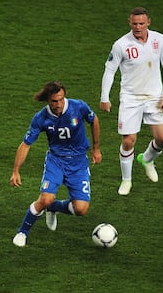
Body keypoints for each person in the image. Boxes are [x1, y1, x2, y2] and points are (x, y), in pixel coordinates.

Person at [10, 81, 102, 247]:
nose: (58, 104)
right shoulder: (41, 118)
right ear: (47, 100)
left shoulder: (78, 107)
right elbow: (25, 144)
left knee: (81, 209)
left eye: (61, 99)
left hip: (79, 162)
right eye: (54, 101)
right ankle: (22, 232)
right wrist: (16, 170)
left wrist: (96, 148)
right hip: (56, 161)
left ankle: (53, 208)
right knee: (45, 199)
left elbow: (94, 120)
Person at [99, 7, 163, 196]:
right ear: (129, 23)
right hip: (130, 98)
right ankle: (126, 180)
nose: (138, 27)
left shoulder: (160, 40)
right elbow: (110, 70)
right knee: (129, 140)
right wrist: (104, 97)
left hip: (155, 97)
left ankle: (147, 159)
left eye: (141, 23)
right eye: (134, 24)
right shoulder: (121, 45)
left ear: (149, 21)